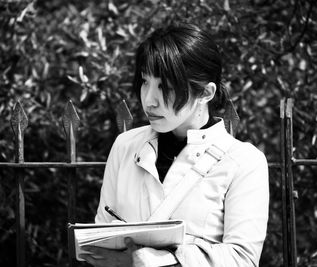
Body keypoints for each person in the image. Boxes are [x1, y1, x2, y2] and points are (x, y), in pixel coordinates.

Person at [79, 23, 269, 267]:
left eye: (165, 87)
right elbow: (102, 237)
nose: (149, 100)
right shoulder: (125, 145)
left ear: (206, 93)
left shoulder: (243, 162)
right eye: (145, 82)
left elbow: (242, 259)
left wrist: (157, 260)